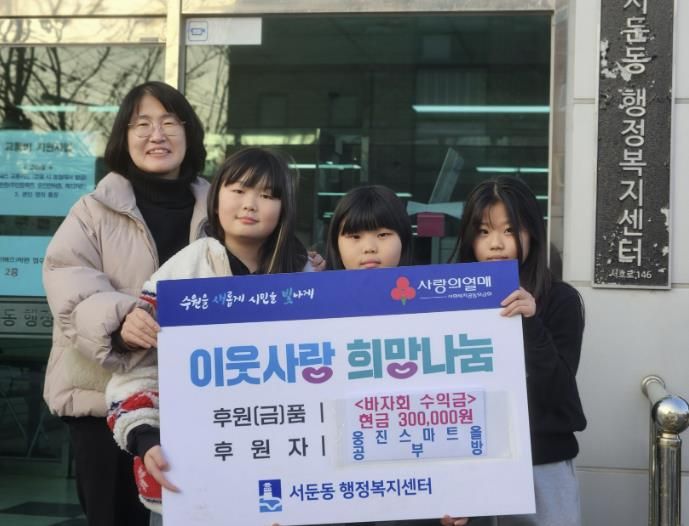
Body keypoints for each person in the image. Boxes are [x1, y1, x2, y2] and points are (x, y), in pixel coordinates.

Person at [105, 147, 312, 524]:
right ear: (215, 198)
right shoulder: (185, 271)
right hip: (196, 474)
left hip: (286, 470)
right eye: (239, 190)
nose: (250, 204)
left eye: (267, 195)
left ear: (284, 208)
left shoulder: (304, 278)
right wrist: (146, 438)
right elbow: (138, 372)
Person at [42, 81, 208, 526]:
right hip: (104, 396)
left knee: (209, 510)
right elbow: (68, 281)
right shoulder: (92, 210)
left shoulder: (219, 209)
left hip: (201, 393)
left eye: (170, 122)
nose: (157, 135)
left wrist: (301, 266)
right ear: (124, 136)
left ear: (189, 133)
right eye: (142, 124)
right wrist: (120, 320)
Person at [442, 176, 587, 526]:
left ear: (531, 233)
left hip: (542, 463)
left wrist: (530, 322)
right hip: (468, 462)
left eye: (509, 230)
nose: (496, 244)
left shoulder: (560, 299)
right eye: (483, 231)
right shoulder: (447, 297)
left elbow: (558, 391)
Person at [325, 185, 468, 526]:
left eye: (383, 234)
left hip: (414, 484)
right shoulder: (311, 311)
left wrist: (462, 492)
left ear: (404, 238)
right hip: (337, 484)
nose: (369, 247)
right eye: (354, 236)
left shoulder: (440, 309)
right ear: (336, 243)